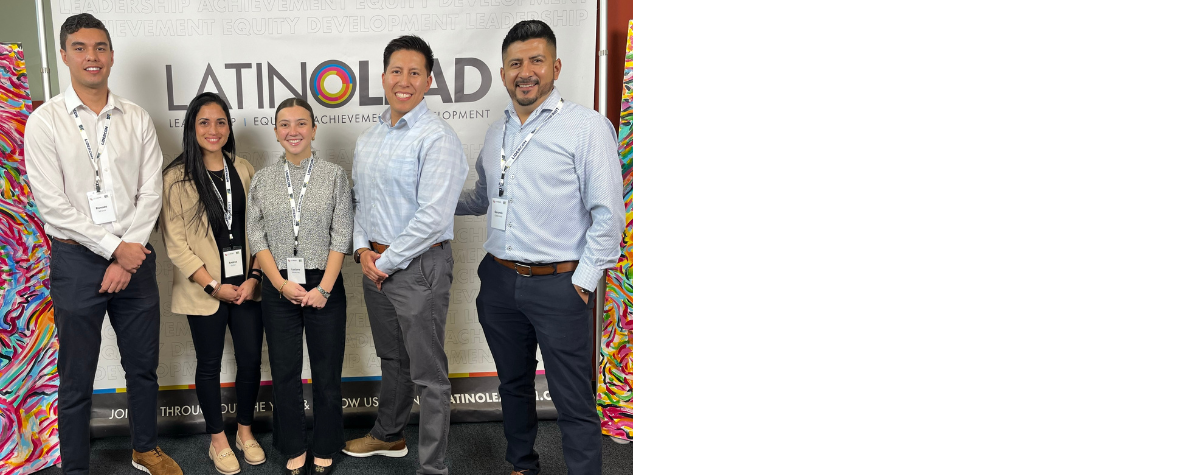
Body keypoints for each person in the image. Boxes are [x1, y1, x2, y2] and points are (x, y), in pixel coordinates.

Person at [455, 19, 624, 475]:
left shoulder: (586, 128)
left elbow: (610, 218)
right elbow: (480, 198)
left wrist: (583, 284)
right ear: (503, 72)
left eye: (535, 61)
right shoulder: (497, 133)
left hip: (560, 285)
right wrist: (427, 199)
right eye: (515, 63)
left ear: (555, 67)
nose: (524, 71)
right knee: (513, 384)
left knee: (572, 397)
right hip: (499, 281)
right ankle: (522, 465)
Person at [24, 13, 182, 475]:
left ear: (112, 55)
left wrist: (127, 253)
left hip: (135, 258)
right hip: (77, 261)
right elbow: (52, 206)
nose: (91, 57)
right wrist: (115, 249)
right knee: (75, 378)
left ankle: (145, 449)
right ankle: (75, 466)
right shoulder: (45, 121)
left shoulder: (136, 118)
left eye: (99, 48)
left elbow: (151, 191)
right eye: (80, 48)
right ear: (64, 55)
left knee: (143, 367)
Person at [341, 35, 467, 475]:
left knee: (429, 376)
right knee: (392, 358)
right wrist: (361, 250)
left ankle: (433, 468)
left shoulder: (438, 139)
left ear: (428, 80)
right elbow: (359, 201)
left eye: (415, 72)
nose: (405, 81)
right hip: (374, 265)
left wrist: (386, 262)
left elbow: (433, 218)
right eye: (397, 71)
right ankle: (388, 435)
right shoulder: (371, 137)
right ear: (383, 77)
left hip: (417, 269)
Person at [160, 92, 267, 475]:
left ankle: (244, 431)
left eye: (220, 122)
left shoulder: (243, 168)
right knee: (209, 365)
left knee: (251, 361)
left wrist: (254, 277)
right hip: (204, 289)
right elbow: (176, 244)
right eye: (204, 122)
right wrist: (212, 285)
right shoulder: (175, 179)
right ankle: (217, 439)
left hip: (246, 288)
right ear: (191, 127)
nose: (213, 129)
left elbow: (258, 229)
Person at [246, 97, 354, 475]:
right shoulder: (262, 178)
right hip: (279, 287)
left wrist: (323, 288)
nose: (293, 131)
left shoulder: (334, 175)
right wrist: (277, 283)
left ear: (313, 128)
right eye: (285, 124)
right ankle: (293, 444)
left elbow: (341, 235)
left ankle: (325, 443)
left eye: (301, 123)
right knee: (285, 371)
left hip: (324, 283)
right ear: (276, 132)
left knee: (327, 372)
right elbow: (255, 236)